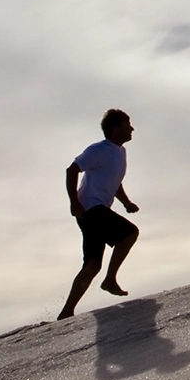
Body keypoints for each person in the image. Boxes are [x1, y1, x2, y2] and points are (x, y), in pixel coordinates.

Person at [57, 109, 140, 320]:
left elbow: (114, 180)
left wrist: (126, 202)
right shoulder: (99, 150)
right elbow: (72, 170)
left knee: (93, 264)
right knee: (130, 233)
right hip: (90, 208)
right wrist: (74, 203)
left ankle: (66, 312)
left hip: (95, 209)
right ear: (114, 128)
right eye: (126, 124)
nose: (131, 128)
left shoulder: (120, 153)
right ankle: (110, 280)